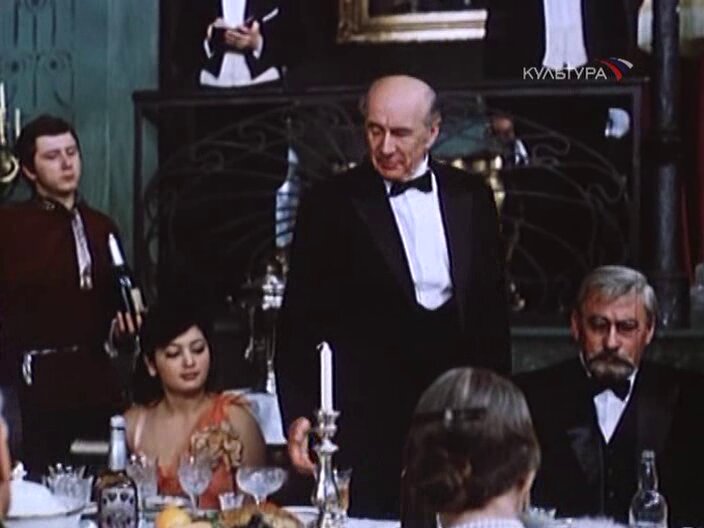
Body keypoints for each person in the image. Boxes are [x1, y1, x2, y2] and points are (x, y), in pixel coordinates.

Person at [278, 75, 511, 517]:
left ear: (433, 132)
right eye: (374, 130)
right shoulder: (328, 204)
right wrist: (299, 413)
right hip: (367, 418)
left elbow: (491, 316)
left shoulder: (472, 197)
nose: (384, 147)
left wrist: (498, 411)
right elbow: (297, 324)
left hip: (455, 416)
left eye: (400, 133)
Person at [0, 115, 137, 475]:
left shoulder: (101, 226)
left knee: (102, 479)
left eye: (72, 152)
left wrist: (121, 331)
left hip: (95, 381)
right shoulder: (10, 227)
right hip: (33, 386)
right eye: (52, 156)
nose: (66, 163)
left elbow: (115, 308)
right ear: (29, 170)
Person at [515, 265, 704, 526]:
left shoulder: (691, 398)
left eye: (626, 327)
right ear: (576, 326)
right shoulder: (530, 396)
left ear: (649, 330)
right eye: (598, 325)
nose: (611, 342)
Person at [125, 302, 266, 510]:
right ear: (151, 364)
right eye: (174, 353)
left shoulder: (237, 420)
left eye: (198, 349)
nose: (189, 362)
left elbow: (256, 508)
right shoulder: (134, 424)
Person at [173, 0, 291, 89]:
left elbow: (294, 47)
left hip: (265, 89)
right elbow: (180, 52)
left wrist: (258, 43)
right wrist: (211, 38)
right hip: (209, 91)